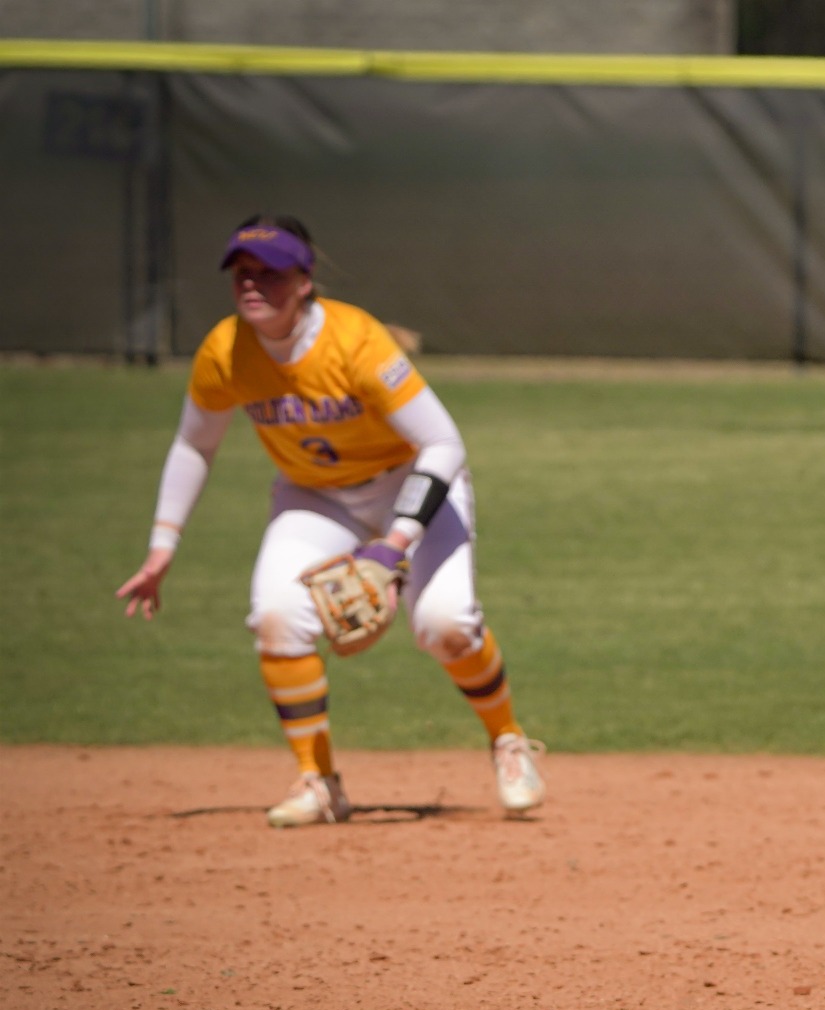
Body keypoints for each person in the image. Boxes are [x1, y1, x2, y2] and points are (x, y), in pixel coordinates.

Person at [115, 215, 547, 826]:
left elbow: (444, 445)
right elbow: (195, 445)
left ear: (305, 280)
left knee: (444, 624)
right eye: (243, 272)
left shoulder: (355, 341)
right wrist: (163, 545)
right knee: (275, 614)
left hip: (407, 487)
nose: (253, 283)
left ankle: (508, 741)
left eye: (271, 272)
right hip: (313, 496)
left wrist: (394, 544)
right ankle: (318, 782)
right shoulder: (225, 351)